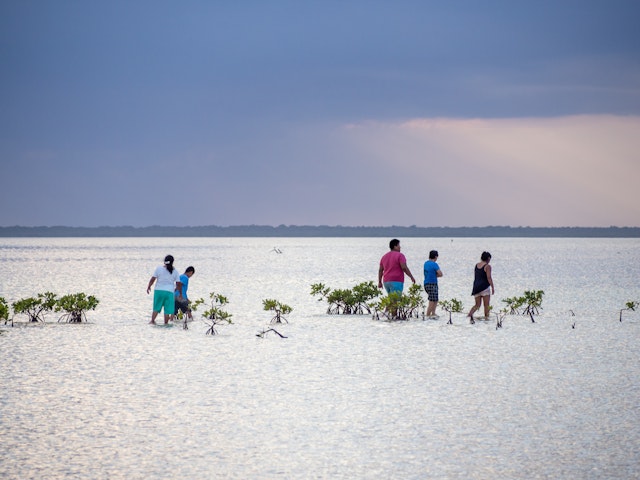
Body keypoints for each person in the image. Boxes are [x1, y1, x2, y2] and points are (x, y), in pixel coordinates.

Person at [147, 255, 183, 325]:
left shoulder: (159, 269)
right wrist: (180, 293)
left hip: (159, 291)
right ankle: (166, 324)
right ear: (172, 262)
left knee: (156, 307)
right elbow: (178, 283)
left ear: (164, 261)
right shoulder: (175, 271)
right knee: (167, 310)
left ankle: (152, 321)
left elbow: (153, 279)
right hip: (169, 292)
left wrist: (149, 286)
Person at [467, 251, 495, 322]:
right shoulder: (487, 266)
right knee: (486, 305)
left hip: (476, 287)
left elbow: (476, 276)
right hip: (485, 287)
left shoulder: (477, 265)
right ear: (488, 258)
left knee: (477, 305)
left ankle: (469, 316)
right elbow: (489, 277)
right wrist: (492, 287)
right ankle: (486, 318)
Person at [423, 250, 443, 318]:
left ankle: (433, 313)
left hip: (426, 283)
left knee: (435, 299)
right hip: (432, 283)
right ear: (435, 257)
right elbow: (440, 274)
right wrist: (435, 275)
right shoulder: (434, 264)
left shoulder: (426, 263)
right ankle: (428, 314)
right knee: (432, 300)